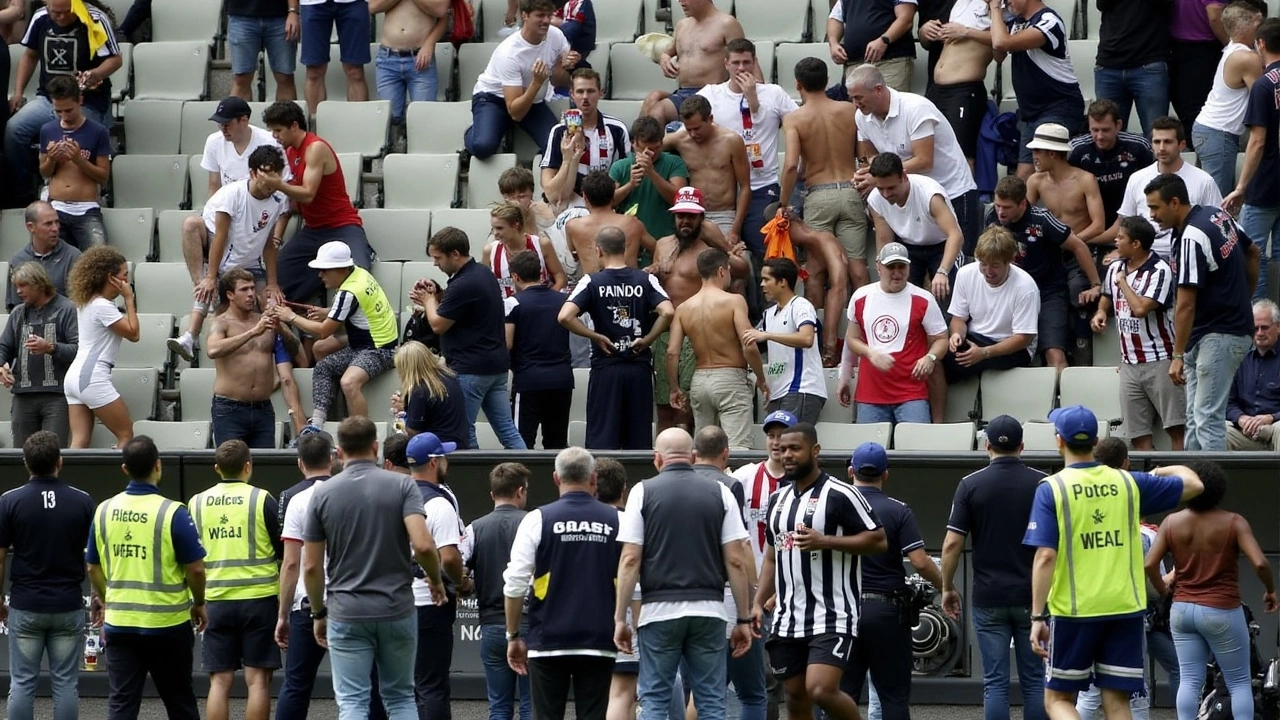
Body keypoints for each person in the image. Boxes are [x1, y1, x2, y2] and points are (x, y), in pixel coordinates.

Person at [1023, 405, 1204, 720]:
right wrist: (1159, 472)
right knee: (1117, 703)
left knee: (1058, 700)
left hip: (1074, 611)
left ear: (1059, 441)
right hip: (1125, 610)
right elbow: (1194, 484)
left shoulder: (1052, 488)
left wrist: (1038, 616)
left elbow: (1045, 556)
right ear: (1095, 441)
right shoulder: (1129, 483)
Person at [302, 416, 447, 720]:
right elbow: (423, 545)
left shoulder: (321, 495)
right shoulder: (403, 485)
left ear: (338, 452)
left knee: (353, 703)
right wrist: (436, 580)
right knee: (401, 699)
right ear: (376, 447)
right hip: (397, 608)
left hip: (346, 611)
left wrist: (318, 613)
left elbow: (312, 567)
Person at [614, 428, 754, 720]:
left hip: (658, 611)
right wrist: (743, 617)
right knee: (712, 703)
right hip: (710, 610)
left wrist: (620, 618)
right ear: (692, 457)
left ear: (657, 459)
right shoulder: (721, 492)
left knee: (654, 701)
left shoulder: (642, 491)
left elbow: (629, 559)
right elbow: (737, 560)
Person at [752, 422, 887, 720]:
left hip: (833, 614)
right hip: (788, 618)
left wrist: (824, 541)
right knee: (796, 697)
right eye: (782, 449)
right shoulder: (777, 500)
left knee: (820, 690)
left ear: (815, 451)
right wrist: (757, 604)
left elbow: (878, 540)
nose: (786, 454)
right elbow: (771, 560)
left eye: (795, 449)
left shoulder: (841, 493)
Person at [86, 435, 207, 720]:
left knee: (122, 703)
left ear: (125, 469)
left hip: (121, 623)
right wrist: (199, 602)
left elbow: (92, 568)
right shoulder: (173, 513)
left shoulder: (103, 510)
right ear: (158, 465)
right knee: (180, 701)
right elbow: (197, 569)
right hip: (167, 624)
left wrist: (107, 599)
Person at [1146, 460, 1277, 720]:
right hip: (1222, 609)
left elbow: (1149, 563)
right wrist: (1270, 590)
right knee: (1239, 681)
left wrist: (1163, 590)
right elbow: (1260, 562)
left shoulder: (1172, 522)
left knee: (1189, 680)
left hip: (1182, 610)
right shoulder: (1233, 522)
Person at [938, 416, 1047, 720]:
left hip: (989, 596)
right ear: (1022, 446)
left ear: (986, 446)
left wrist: (947, 587)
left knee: (995, 683)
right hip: (1033, 597)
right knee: (1036, 681)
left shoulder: (970, 484)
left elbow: (950, 544)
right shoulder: (1043, 482)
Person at [276, 432, 390, 720]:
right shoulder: (360, 492)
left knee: (296, 687)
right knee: (369, 686)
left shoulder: (298, 501)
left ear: (300, 464)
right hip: (357, 603)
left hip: (310, 606)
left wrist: (282, 615)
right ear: (332, 458)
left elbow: (292, 564)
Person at [1145, 172, 1260, 451]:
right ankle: (1198, 488)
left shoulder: (1192, 237)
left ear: (1174, 203)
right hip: (1216, 332)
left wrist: (1176, 355)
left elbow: (1185, 303)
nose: (1151, 215)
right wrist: (1245, 298)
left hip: (1218, 334)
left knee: (1207, 419)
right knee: (1195, 419)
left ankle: (1216, 492)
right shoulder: (1216, 215)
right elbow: (1253, 252)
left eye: (1155, 207)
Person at [504, 446, 620, 720]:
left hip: (548, 639)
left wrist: (513, 636)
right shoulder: (619, 520)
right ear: (594, 478)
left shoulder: (536, 520)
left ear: (556, 478)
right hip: (599, 638)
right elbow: (633, 578)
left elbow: (515, 584)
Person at [841, 443, 945, 720]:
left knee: (841, 694)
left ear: (851, 470)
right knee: (893, 697)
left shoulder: (834, 506)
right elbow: (921, 562)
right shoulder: (898, 510)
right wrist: (948, 587)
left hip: (843, 609)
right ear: (885, 475)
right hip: (886, 610)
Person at [0, 430, 94, 720]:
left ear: (26, 463)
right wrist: (101, 596)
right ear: (60, 462)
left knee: (22, 683)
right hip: (67, 603)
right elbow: (93, 560)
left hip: (26, 603)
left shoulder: (9, 500)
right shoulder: (83, 500)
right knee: (66, 683)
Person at [169, 145, 290, 363]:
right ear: (253, 173)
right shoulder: (232, 195)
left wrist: (272, 283)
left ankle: (279, 360)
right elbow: (220, 236)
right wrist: (211, 276)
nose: (271, 186)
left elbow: (269, 244)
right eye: (267, 178)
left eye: (276, 178)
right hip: (226, 265)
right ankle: (190, 336)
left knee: (272, 304)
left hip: (253, 265)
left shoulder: (279, 199)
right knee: (214, 297)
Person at [189, 440, 282, 720]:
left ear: (217, 468)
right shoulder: (262, 499)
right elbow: (281, 549)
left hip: (215, 599)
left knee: (219, 682)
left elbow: (190, 553)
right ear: (248, 466)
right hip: (260, 599)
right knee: (258, 681)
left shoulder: (196, 502)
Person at [848, 65, 982, 257]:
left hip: (953, 191)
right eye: (852, 98)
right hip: (913, 196)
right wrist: (869, 171)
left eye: (859, 97)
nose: (855, 104)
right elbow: (871, 157)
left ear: (878, 90)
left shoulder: (915, 108)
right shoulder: (862, 117)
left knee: (961, 262)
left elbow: (924, 161)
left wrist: (877, 178)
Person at [560, 226, 675, 449]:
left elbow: (565, 316)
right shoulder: (645, 279)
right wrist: (649, 339)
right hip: (638, 368)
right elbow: (668, 311)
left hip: (606, 368)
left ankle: (603, 484)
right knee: (638, 442)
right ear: (626, 248)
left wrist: (595, 336)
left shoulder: (591, 282)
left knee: (602, 442)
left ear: (598, 250)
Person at [5, 0, 120, 207]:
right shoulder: (40, 18)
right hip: (47, 99)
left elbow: (115, 59)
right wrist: (18, 92)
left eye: (66, 12)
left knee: (79, 139)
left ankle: (84, 196)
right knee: (14, 129)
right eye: (55, 12)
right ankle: (23, 194)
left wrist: (95, 74)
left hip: (86, 100)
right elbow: (30, 55)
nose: (60, 17)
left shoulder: (94, 19)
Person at [420, 226, 527, 450]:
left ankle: (473, 482)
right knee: (507, 430)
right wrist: (440, 295)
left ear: (455, 254)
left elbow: (438, 325)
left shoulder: (463, 284)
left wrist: (429, 301)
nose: (435, 264)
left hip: (470, 369)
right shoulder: (482, 272)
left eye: (438, 258)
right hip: (496, 367)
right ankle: (529, 475)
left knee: (463, 431)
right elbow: (466, 309)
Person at [278, 241, 399, 435]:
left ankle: (361, 437)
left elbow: (324, 331)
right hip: (365, 339)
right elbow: (356, 309)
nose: (320, 275)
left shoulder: (348, 292)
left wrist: (290, 317)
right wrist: (329, 312)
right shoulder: (359, 273)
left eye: (325, 270)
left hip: (379, 348)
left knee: (348, 382)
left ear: (341, 269)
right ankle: (318, 422)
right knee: (321, 357)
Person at [260, 101, 374, 306]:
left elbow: (308, 194)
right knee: (275, 279)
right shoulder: (289, 151)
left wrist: (277, 185)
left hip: (342, 226)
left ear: (294, 126)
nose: (275, 136)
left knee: (360, 277)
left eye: (278, 130)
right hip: (313, 230)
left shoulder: (315, 148)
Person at [988, 175, 1102, 374]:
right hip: (1011, 293)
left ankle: (1063, 401)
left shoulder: (1041, 219)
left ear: (1023, 203)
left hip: (1048, 293)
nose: (1000, 212)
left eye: (1006, 207)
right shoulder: (991, 218)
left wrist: (1095, 284)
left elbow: (1078, 246)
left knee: (1054, 354)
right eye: (998, 205)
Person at [1090, 216, 1186, 451]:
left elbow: (1141, 308)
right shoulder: (1115, 267)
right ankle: (1149, 481)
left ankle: (1181, 478)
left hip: (1160, 360)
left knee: (1176, 428)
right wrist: (1101, 312)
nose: (1115, 240)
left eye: (1121, 237)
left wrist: (1123, 283)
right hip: (1129, 364)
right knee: (1137, 433)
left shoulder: (1159, 270)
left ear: (1136, 244)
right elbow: (1107, 295)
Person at [697, 38, 799, 260]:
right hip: (724, 191)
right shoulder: (710, 94)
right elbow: (690, 129)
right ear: (726, 63)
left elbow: (799, 125)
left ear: (755, 62)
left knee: (768, 255)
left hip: (762, 186)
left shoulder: (774, 93)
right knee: (721, 258)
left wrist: (754, 100)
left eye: (746, 62)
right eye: (736, 63)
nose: (741, 68)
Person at [650, 188, 740, 433]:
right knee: (664, 404)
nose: (685, 221)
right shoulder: (662, 245)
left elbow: (743, 269)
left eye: (691, 216)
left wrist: (721, 244)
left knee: (689, 406)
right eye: (681, 216)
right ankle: (666, 460)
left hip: (695, 330)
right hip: (664, 330)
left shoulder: (708, 252)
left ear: (702, 218)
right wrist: (653, 270)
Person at [779, 58, 867, 289]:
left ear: (798, 84)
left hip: (819, 195)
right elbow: (863, 157)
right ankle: (868, 320)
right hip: (851, 190)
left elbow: (790, 165)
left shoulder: (794, 119)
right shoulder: (849, 110)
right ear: (827, 81)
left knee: (816, 268)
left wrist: (783, 201)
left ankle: (815, 324)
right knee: (857, 267)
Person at [668, 248, 768, 450]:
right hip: (730, 377)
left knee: (704, 449)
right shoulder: (733, 301)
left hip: (700, 380)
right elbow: (748, 344)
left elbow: (672, 353)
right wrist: (762, 379)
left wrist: (674, 388)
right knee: (738, 448)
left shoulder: (683, 308)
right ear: (722, 271)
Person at [840, 243, 949, 424]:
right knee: (869, 450)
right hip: (870, 393)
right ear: (879, 267)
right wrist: (870, 352)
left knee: (915, 450)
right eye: (891, 267)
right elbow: (852, 338)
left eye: (901, 267)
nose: (897, 273)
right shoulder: (861, 297)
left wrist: (930, 357)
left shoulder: (923, 299)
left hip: (911, 392)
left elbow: (941, 339)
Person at [405, 432, 468, 720]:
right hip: (428, 603)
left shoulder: (395, 496)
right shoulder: (438, 504)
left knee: (400, 688)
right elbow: (451, 558)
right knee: (431, 687)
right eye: (443, 456)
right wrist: (462, 582)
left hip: (393, 603)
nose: (446, 461)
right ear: (433, 462)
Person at [463, 0, 576, 160]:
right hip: (494, 98)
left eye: (549, 16)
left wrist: (565, 65)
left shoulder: (556, 35)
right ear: (525, 16)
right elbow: (516, 113)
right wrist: (537, 83)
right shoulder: (509, 53)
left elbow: (559, 80)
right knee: (483, 147)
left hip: (532, 100)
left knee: (556, 145)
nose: (546, 21)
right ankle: (473, 132)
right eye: (540, 15)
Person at [206, 269, 304, 448]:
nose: (251, 294)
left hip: (262, 408)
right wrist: (252, 333)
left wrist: (281, 329)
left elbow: (300, 355)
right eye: (244, 290)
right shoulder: (221, 323)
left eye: (252, 288)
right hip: (229, 408)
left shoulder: (266, 322)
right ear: (230, 295)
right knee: (232, 463)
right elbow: (212, 350)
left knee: (264, 468)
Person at [988, 0, 1084, 179]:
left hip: (1058, 107)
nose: (1007, 3)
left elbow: (1001, 44)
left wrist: (994, 7)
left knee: (1048, 171)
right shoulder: (1017, 23)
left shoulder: (1049, 20)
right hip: (1031, 113)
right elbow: (998, 54)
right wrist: (998, 15)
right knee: (1023, 177)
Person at [467, 463, 532, 720]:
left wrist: (465, 585)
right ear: (520, 491)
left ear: (492, 495)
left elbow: (458, 569)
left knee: (499, 706)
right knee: (531, 704)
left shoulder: (474, 528)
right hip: (533, 623)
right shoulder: (535, 523)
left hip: (492, 625)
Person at [1111, 116, 1222, 259]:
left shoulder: (1204, 181)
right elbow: (1125, 223)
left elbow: (1218, 225)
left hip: (1188, 255)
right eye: (1157, 142)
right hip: (1143, 257)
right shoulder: (1137, 178)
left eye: (1168, 142)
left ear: (1182, 144)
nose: (1162, 148)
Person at [1224, 17, 1280, 299]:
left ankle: (1258, 319)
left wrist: (1242, 186)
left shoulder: (1265, 84)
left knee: (1252, 251)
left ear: (1261, 44)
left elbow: (1257, 142)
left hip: (1267, 182)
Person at [943, 226, 1041, 383]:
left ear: (1009, 261)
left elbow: (1024, 338)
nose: (988, 271)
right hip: (975, 337)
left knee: (947, 360)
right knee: (939, 348)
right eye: (983, 264)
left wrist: (984, 353)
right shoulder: (965, 274)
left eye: (995, 265)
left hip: (1012, 348)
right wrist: (956, 335)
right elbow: (958, 318)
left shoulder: (1025, 287)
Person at [64, 246, 138, 449]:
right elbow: (134, 334)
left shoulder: (88, 302)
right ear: (110, 278)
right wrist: (129, 299)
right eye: (124, 275)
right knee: (126, 435)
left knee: (79, 442)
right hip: (91, 377)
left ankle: (67, 480)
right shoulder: (103, 306)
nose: (126, 281)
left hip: (74, 378)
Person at [866, 152, 964, 299]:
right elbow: (884, 240)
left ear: (904, 177)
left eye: (891, 188)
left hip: (942, 245)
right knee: (901, 295)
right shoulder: (875, 199)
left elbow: (955, 235)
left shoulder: (929, 195)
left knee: (945, 291)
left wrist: (942, 272)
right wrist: (882, 268)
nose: (885, 194)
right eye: (881, 189)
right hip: (908, 247)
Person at [0, 262, 77, 446]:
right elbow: (4, 346)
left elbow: (78, 350)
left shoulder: (67, 309)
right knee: (21, 454)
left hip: (57, 395)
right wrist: (1, 365)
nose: (18, 291)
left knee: (52, 451)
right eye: (16, 286)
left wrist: (51, 347)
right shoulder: (18, 313)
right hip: (23, 395)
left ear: (39, 284)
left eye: (23, 286)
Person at [1191, 3, 1264, 197]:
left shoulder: (1233, 48)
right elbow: (1265, 94)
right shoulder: (1246, 57)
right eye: (1258, 23)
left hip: (1209, 130)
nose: (1261, 28)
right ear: (1244, 26)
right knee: (1218, 201)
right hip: (1219, 133)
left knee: (1210, 196)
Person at [743, 258, 826, 425]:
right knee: (778, 446)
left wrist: (768, 335)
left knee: (789, 444)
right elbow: (752, 344)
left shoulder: (801, 305)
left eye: (766, 279)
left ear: (782, 282)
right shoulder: (769, 314)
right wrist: (761, 380)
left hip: (802, 389)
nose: (762, 285)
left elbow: (807, 338)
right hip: (778, 392)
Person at [505, 250, 573, 450]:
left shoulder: (513, 303)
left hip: (528, 381)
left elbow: (507, 344)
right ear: (541, 273)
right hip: (562, 379)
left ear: (516, 277)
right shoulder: (563, 301)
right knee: (557, 443)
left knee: (520, 444)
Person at [664, 96, 752, 247]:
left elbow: (745, 187)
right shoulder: (679, 139)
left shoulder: (731, 141)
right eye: (688, 128)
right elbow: (651, 146)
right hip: (691, 213)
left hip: (723, 214)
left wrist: (735, 230)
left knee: (725, 261)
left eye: (697, 128)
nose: (692, 134)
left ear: (710, 119)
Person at [641, 0, 745, 125]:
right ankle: (639, 143)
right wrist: (664, 57)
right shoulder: (682, 25)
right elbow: (669, 51)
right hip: (683, 93)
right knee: (656, 112)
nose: (680, 2)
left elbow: (745, 59)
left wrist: (756, 93)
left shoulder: (727, 24)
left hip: (712, 94)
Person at [540, 68, 631, 208]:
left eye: (591, 91)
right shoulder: (559, 132)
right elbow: (550, 193)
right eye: (580, 91)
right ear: (571, 95)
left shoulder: (617, 129)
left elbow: (626, 174)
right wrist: (568, 158)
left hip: (607, 202)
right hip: (569, 203)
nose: (585, 97)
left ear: (601, 93)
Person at [919, 0, 996, 166]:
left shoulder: (997, 5)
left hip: (964, 89)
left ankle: (967, 192)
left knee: (962, 154)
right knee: (933, 151)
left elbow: (1003, 42)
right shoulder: (959, 3)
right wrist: (926, 31)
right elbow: (927, 42)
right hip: (937, 88)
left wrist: (966, 32)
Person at [36, 75, 109, 250]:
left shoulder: (98, 131)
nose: (64, 116)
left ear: (80, 101)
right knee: (51, 258)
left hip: (86, 208)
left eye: (68, 110)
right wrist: (52, 159)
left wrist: (79, 160)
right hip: (56, 207)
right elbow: (44, 172)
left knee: (98, 256)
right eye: (58, 111)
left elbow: (103, 177)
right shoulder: (48, 130)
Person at [1068, 100, 1155, 234]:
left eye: (1106, 130)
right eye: (1095, 130)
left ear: (1118, 125)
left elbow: (1154, 183)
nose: (1100, 136)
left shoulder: (1139, 146)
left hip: (1131, 226)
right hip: (1089, 227)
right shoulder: (1077, 149)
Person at [1089, 0, 1171, 138]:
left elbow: (1165, 5)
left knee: (1157, 137)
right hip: (1110, 63)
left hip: (1149, 62)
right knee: (1107, 138)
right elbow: (1102, 4)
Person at [609, 116, 689, 246]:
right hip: (629, 241)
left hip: (666, 239)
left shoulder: (674, 162)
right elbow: (608, 202)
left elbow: (679, 200)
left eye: (655, 148)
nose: (650, 153)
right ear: (633, 143)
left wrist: (651, 173)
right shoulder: (619, 166)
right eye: (644, 149)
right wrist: (630, 185)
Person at [1026, 123, 1106, 246]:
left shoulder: (1085, 180)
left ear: (1052, 154)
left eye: (1037, 151)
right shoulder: (1035, 181)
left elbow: (1098, 225)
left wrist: (1072, 243)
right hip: (1051, 250)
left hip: (1082, 247)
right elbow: (1025, 218)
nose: (1034, 157)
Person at [566, 169, 658, 274]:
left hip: (595, 287)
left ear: (585, 197)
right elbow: (657, 249)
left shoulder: (573, 226)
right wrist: (653, 266)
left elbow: (574, 256)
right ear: (613, 195)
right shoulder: (632, 223)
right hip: (628, 287)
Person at [370, 0, 447, 125]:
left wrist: (430, 43)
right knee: (389, 121)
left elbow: (442, 11)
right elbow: (372, 7)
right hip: (387, 59)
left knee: (423, 119)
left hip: (420, 60)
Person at [825, 0, 917, 92]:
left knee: (889, 103)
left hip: (890, 63)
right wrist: (833, 43)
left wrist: (884, 40)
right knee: (857, 105)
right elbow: (835, 18)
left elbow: (906, 19)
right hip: (855, 65)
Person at [391, 340, 469, 446]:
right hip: (460, 444)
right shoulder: (450, 378)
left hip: (435, 449)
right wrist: (406, 405)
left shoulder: (420, 391)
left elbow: (412, 431)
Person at [1225, 300, 1280, 450]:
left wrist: (1271, 418)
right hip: (1247, 430)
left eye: (1265, 328)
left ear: (1278, 327)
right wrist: (1240, 418)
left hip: (1275, 427)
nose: (1260, 333)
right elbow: (1228, 403)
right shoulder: (1240, 359)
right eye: (1255, 328)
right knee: (1218, 432)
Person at [298, 0, 370, 115]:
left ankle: (358, 124)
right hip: (313, 3)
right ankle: (315, 125)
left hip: (353, 3)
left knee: (355, 71)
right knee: (314, 71)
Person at [484, 203, 568, 298]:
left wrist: (548, 299)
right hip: (507, 308)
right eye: (493, 228)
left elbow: (561, 277)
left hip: (539, 304)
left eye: (500, 228)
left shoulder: (541, 244)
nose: (495, 233)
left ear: (516, 225)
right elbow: (484, 285)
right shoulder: (490, 251)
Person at [7, 200, 81, 309]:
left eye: (57, 222)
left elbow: (80, 303)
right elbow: (15, 307)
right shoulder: (18, 260)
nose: (55, 228)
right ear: (30, 227)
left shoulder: (73, 257)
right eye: (48, 224)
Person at [225, 0, 298, 101]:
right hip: (241, 14)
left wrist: (293, 11)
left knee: (285, 76)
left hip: (281, 15)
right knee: (241, 78)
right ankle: (238, 116)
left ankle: (287, 116)